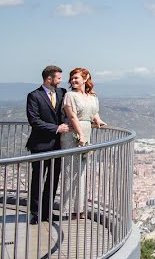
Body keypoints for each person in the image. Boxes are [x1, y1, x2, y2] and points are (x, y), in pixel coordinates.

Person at [25, 65, 70, 224]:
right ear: (49, 78)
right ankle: (36, 213)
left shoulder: (62, 92)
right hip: (40, 145)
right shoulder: (34, 96)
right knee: (38, 179)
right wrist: (56, 128)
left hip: (57, 145)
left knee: (53, 180)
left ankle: (47, 212)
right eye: (58, 77)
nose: (61, 80)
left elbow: (68, 111)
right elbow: (34, 121)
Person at [61, 67, 106, 219]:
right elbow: (72, 116)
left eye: (76, 78)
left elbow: (94, 112)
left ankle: (79, 209)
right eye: (72, 78)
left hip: (86, 132)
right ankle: (69, 210)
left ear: (85, 79)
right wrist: (80, 134)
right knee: (70, 171)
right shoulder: (70, 96)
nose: (73, 81)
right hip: (74, 133)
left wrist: (98, 120)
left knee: (81, 172)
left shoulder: (92, 96)